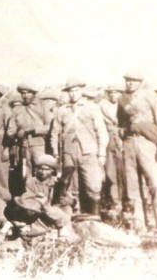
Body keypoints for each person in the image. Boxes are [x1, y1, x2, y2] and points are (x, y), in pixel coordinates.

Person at [117, 71, 157, 235]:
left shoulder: (151, 97)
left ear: (140, 82)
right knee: (132, 188)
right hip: (129, 143)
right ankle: (139, 225)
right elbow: (120, 121)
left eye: (134, 81)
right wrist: (121, 132)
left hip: (147, 144)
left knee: (156, 185)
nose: (131, 84)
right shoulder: (122, 99)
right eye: (128, 80)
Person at [51, 78, 108, 217]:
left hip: (89, 150)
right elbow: (55, 132)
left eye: (76, 90)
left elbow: (101, 130)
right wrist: (55, 153)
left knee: (93, 184)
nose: (73, 94)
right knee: (71, 184)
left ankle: (95, 215)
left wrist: (102, 152)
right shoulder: (62, 110)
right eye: (70, 91)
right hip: (68, 152)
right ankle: (75, 213)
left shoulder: (92, 107)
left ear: (81, 91)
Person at [3, 155, 72, 242]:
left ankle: (60, 234)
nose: (43, 172)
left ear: (52, 171)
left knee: (63, 216)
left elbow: (67, 200)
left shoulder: (57, 183)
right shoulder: (31, 182)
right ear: (36, 170)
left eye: (47, 169)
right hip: (35, 211)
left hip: (52, 211)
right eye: (41, 169)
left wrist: (57, 200)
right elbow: (28, 198)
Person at [14, 82, 52, 180]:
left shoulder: (43, 106)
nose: (25, 96)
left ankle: (43, 192)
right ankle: (28, 192)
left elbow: (49, 127)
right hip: (23, 145)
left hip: (38, 144)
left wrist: (34, 130)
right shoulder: (17, 109)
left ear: (33, 93)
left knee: (42, 169)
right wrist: (18, 133)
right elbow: (12, 129)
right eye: (23, 93)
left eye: (27, 93)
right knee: (25, 171)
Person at [99, 84, 124, 212]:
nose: (114, 95)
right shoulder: (102, 106)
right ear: (108, 94)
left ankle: (124, 201)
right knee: (110, 172)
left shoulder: (123, 105)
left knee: (124, 172)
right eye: (111, 93)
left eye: (116, 92)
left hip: (122, 140)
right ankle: (113, 201)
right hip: (109, 140)